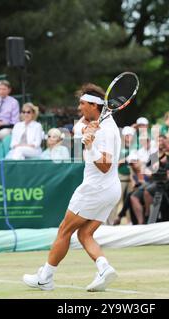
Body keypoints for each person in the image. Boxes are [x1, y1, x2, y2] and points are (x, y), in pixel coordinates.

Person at [23, 83, 121, 292]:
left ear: (94, 106)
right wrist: (86, 131)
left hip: (95, 188)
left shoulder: (106, 130)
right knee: (84, 234)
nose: (79, 107)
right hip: (111, 190)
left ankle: (45, 277)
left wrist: (90, 146)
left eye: (83, 104)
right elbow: (80, 128)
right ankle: (104, 268)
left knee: (64, 230)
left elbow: (105, 166)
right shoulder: (97, 121)